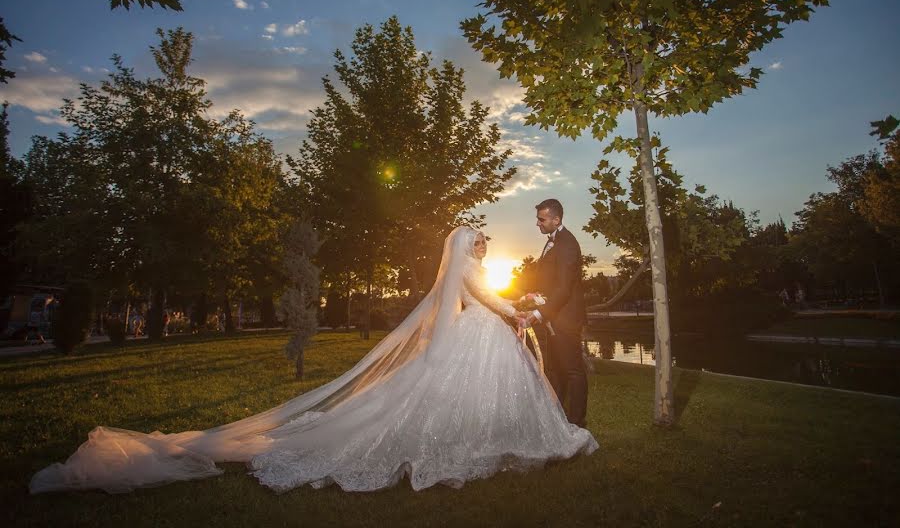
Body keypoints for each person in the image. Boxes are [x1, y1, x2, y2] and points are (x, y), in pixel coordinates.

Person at [29, 226, 597, 495]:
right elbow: (488, 298)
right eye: (475, 242)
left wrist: (513, 307)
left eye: (479, 243)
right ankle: (501, 439)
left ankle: (493, 435)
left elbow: (482, 299)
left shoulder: (458, 272)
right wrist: (518, 309)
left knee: (463, 394)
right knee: (460, 396)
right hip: (478, 331)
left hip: (474, 331)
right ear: (464, 248)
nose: (479, 248)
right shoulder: (469, 271)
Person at [520, 199, 589, 428]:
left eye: (542, 219)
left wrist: (540, 314)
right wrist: (537, 295)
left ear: (556, 220)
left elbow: (564, 288)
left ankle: (577, 422)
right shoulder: (554, 241)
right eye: (538, 218)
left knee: (573, 371)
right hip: (555, 315)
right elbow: (553, 282)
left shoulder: (568, 243)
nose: (537, 223)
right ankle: (559, 419)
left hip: (566, 318)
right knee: (557, 370)